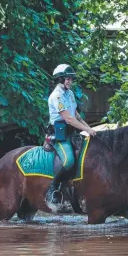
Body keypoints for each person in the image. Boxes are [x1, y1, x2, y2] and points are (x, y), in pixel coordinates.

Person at [46, 64, 97, 206]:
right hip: (59, 136)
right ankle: (52, 188)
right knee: (69, 161)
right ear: (60, 79)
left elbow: (76, 116)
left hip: (72, 133)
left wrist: (90, 129)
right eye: (67, 79)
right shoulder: (56, 96)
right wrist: (87, 130)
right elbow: (68, 119)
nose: (70, 82)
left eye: (71, 79)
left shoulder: (70, 93)